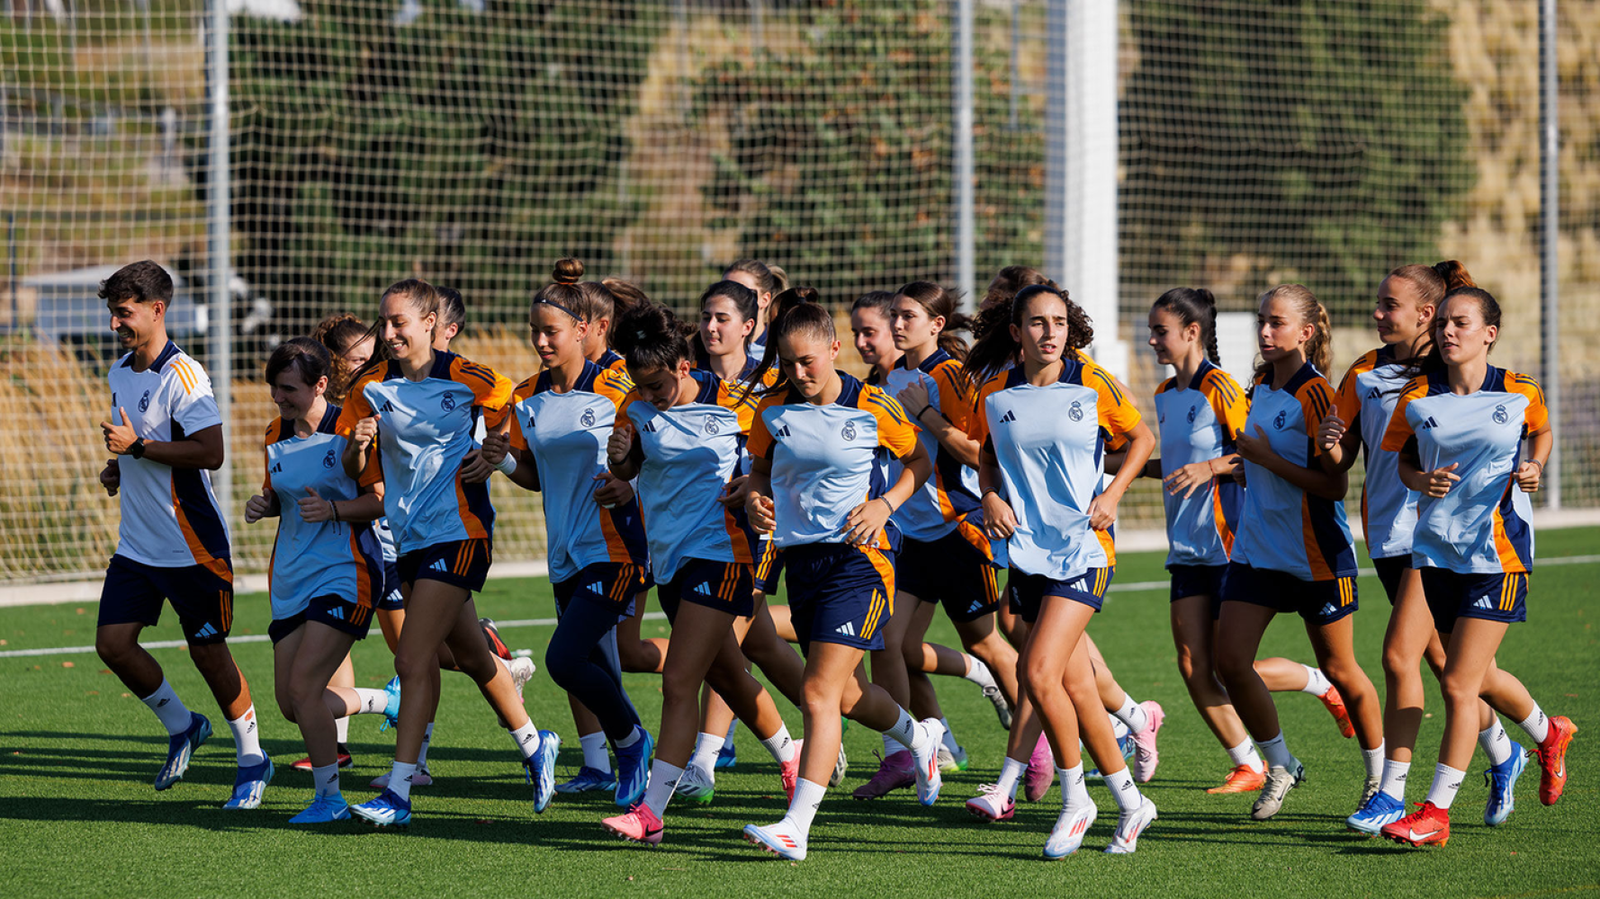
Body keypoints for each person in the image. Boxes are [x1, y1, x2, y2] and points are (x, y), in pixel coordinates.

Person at [1321, 262, 1569, 834]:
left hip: (1478, 550)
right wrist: (1379, 464)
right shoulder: (1394, 385)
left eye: (1391, 305)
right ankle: (1536, 738)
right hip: (1414, 543)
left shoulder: (1507, 385)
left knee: (1443, 673)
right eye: (1378, 304)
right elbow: (1383, 458)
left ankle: (1418, 803)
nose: (1379, 314)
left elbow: (1539, 428)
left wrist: (1533, 465)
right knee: (1439, 667)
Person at [339, 278, 559, 827]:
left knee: (411, 658)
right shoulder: (369, 386)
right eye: (384, 323)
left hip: (460, 534)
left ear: (432, 324)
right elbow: (351, 467)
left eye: (400, 323)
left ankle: (398, 791)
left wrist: (496, 449)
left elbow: (513, 399)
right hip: (409, 536)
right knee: (471, 657)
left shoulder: (465, 376)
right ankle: (536, 745)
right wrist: (357, 444)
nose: (389, 333)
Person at [739, 297, 945, 861]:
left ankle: (796, 826)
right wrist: (758, 497)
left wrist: (886, 505)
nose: (799, 373)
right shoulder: (772, 409)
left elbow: (920, 464)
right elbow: (758, 468)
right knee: (849, 695)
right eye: (787, 362)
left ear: (834, 348)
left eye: (808, 361)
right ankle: (920, 737)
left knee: (817, 691)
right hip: (801, 563)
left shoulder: (871, 405)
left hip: (862, 561)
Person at [961, 283, 1159, 857]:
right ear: (1017, 332)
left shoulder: (1091, 382)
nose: (1051, 333)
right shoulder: (996, 393)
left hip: (1085, 550)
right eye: (1038, 323)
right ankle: (1130, 800)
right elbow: (987, 455)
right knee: (1073, 687)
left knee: (1039, 674)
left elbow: (1141, 437)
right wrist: (990, 496)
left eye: (1059, 322)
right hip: (1027, 552)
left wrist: (1115, 493)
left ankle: (1078, 800)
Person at [599, 302, 802, 845]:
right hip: (669, 559)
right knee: (728, 675)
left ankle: (651, 812)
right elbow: (627, 471)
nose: (648, 395)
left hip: (726, 553)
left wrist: (757, 493)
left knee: (678, 679)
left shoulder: (739, 403)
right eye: (639, 386)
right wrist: (621, 459)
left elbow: (780, 460)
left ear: (684, 366)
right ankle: (794, 754)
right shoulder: (634, 407)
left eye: (657, 384)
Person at [1144, 287, 1355, 794]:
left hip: (1229, 538)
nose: (1152, 340)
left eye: (1160, 331)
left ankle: (1318, 683)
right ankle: (1250, 762)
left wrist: (1211, 466)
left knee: (1230, 662)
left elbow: (1251, 454)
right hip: (1185, 542)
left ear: (1192, 332)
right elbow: (1174, 467)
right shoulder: (1163, 395)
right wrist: (1118, 466)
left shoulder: (1223, 387)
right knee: (1194, 665)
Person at [93, 260, 273, 809]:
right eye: (112, 314)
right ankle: (182, 725)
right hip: (137, 546)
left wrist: (138, 451)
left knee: (209, 654)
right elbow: (139, 444)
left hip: (191, 545)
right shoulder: (120, 372)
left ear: (156, 309)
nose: (115, 325)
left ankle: (252, 758)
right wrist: (120, 469)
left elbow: (211, 454)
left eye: (123, 314)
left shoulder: (186, 375)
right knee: (113, 645)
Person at [482, 262, 655, 809]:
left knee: (563, 660)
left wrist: (631, 480)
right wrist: (503, 460)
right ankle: (621, 766)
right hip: (564, 551)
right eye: (534, 331)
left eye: (550, 331)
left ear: (584, 330)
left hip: (617, 546)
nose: (540, 341)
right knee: (595, 667)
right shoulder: (528, 396)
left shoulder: (621, 384)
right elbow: (537, 476)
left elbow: (658, 450)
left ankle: (632, 744)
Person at [1212, 284, 1384, 823]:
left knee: (1342, 669)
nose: (1265, 332)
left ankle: (1381, 778)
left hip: (1315, 556)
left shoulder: (1316, 394)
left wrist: (1263, 456)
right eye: (1262, 321)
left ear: (1306, 332)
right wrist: (1246, 465)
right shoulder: (1259, 384)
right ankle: (1281, 764)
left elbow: (1333, 485)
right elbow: (1261, 459)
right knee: (1230, 664)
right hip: (1258, 551)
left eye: (1277, 323)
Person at [243, 338, 395, 822]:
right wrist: (264, 504)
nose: (279, 398)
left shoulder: (351, 430)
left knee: (306, 689)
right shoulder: (273, 433)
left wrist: (333, 509)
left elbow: (379, 501)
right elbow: (279, 494)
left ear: (321, 385)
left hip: (346, 572)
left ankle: (329, 799)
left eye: (288, 389)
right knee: (292, 704)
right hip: (291, 577)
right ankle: (384, 699)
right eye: (274, 389)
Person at [883, 282, 1018, 772]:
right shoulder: (894, 374)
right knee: (890, 644)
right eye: (894, 315)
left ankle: (1039, 738)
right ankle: (909, 752)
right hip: (912, 535)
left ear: (937, 324)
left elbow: (977, 451)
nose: (897, 325)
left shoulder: (952, 374)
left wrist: (927, 415)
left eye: (908, 316)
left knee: (985, 642)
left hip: (957, 528)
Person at [723, 258, 787, 352]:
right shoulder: (706, 345)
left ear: (764, 300)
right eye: (723, 292)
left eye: (742, 293)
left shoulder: (780, 348)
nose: (731, 300)